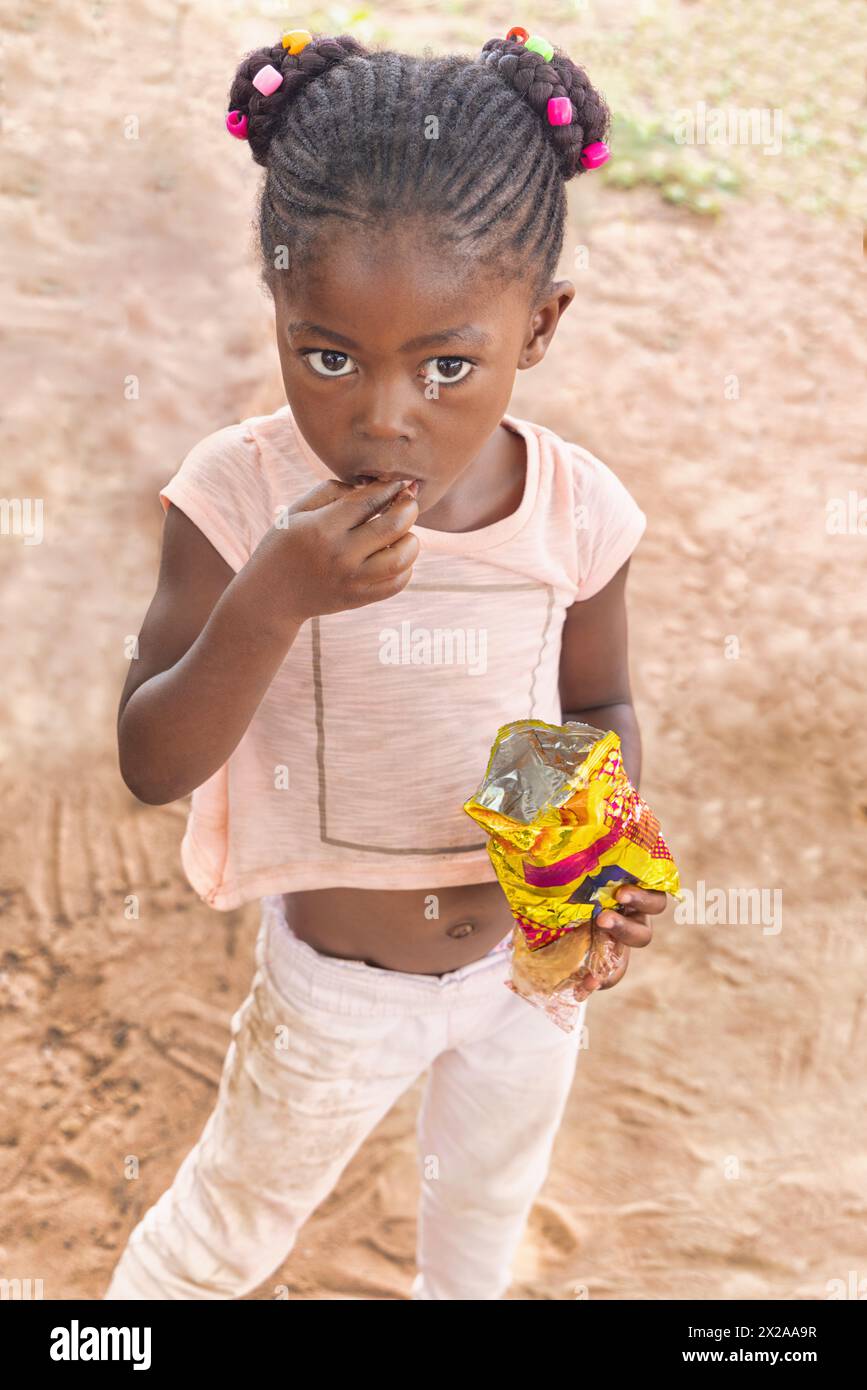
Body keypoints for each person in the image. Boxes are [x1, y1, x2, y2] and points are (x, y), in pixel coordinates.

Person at [104, 24, 667, 1301]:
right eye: (328, 353)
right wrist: (273, 599)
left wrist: (609, 857)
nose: (381, 415)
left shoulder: (578, 512)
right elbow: (151, 758)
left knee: (479, 1222)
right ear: (282, 316)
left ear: (542, 328)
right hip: (338, 996)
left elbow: (601, 704)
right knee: (222, 1236)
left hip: (528, 978)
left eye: (448, 365)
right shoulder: (239, 498)